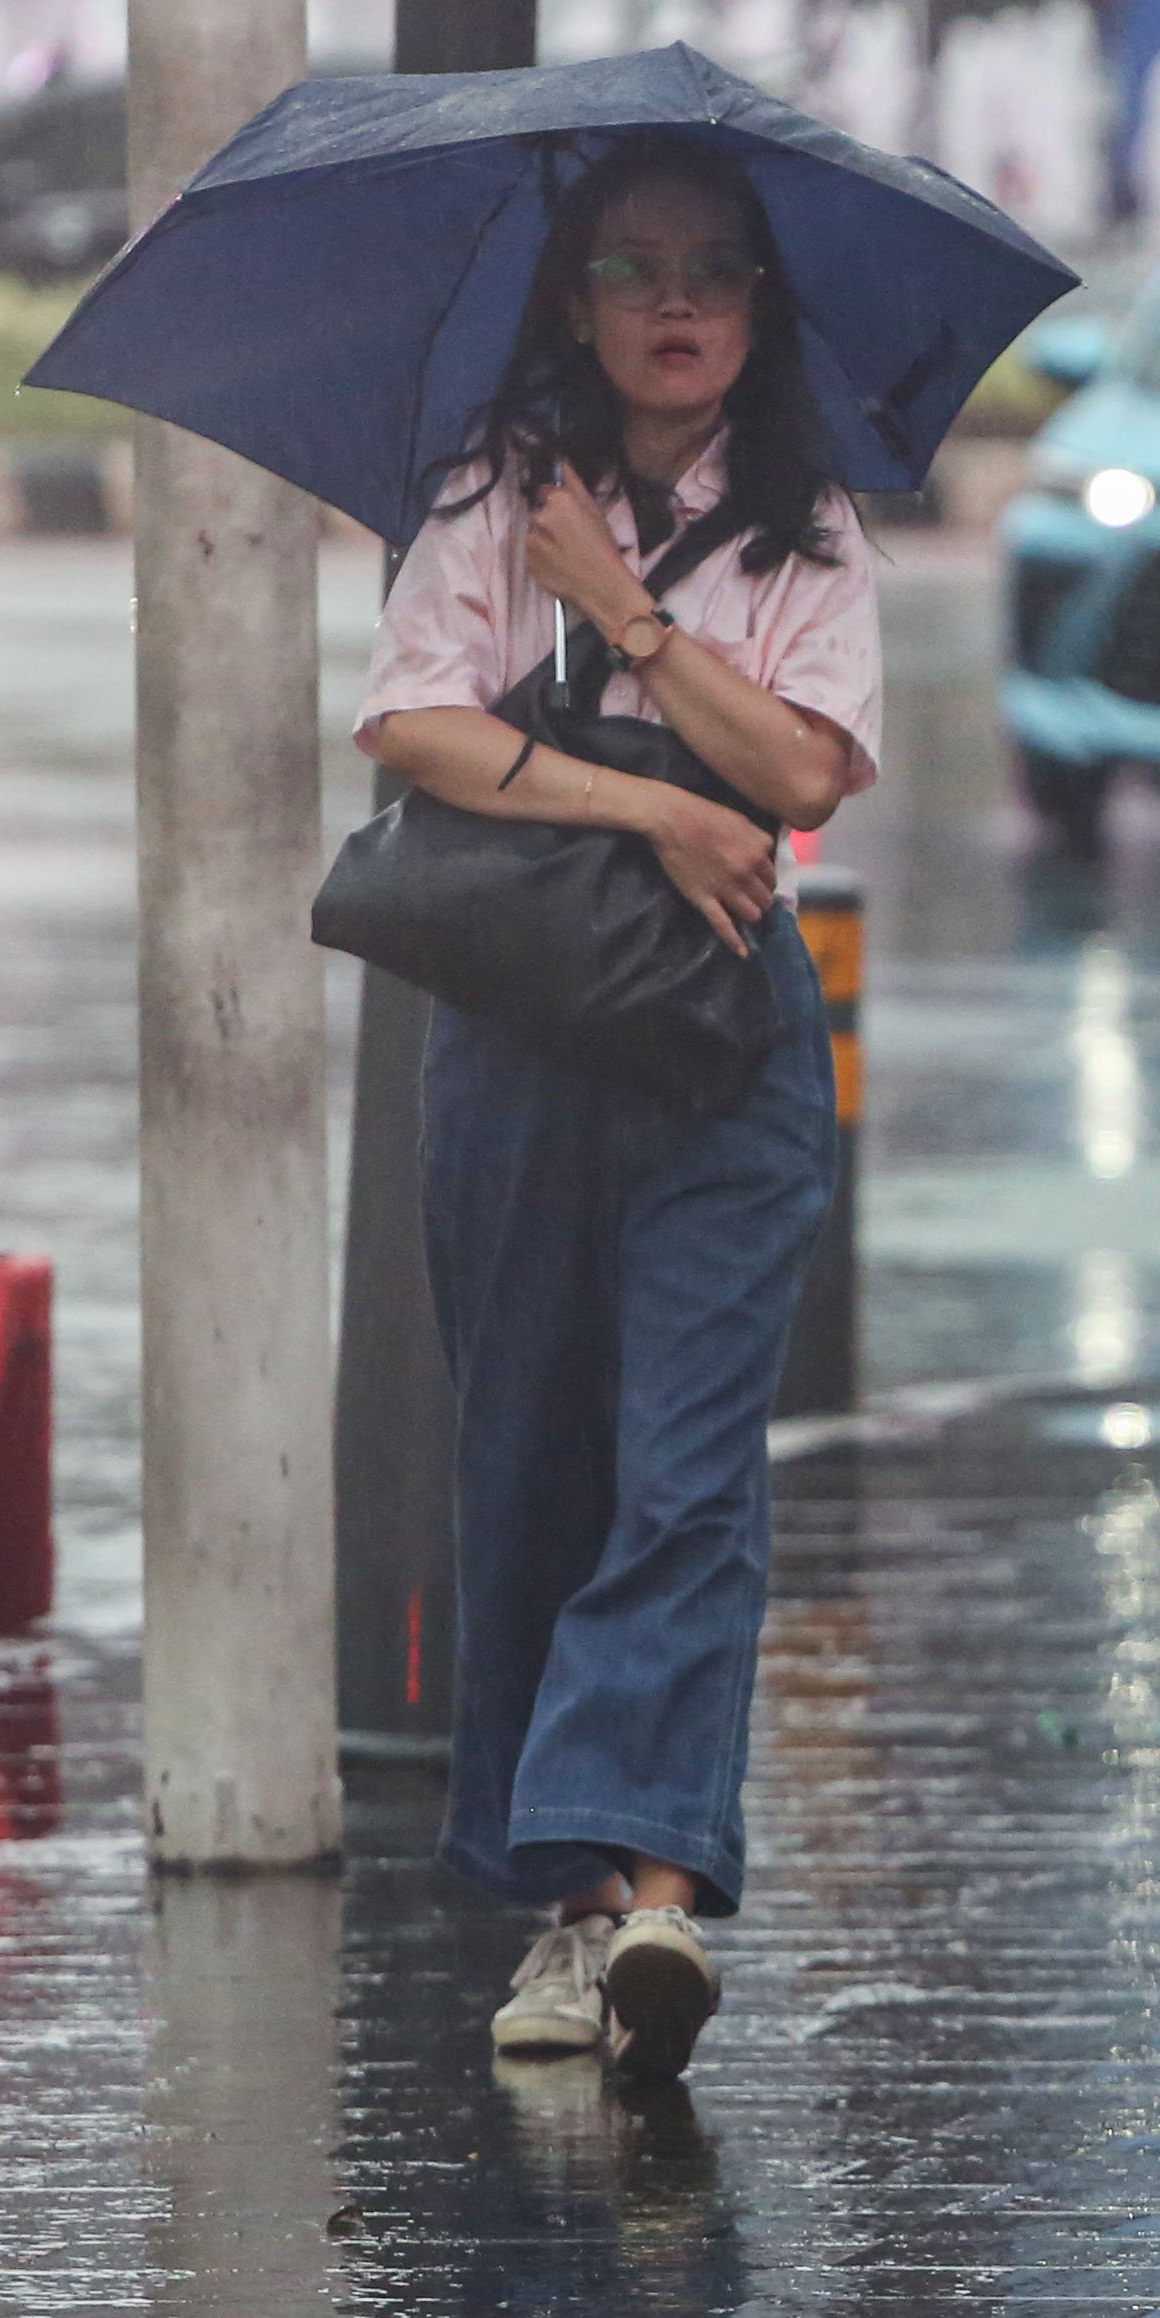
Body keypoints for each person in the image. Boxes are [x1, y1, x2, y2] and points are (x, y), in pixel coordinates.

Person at [354, 130, 877, 2085]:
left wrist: (633, 626)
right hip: (518, 1027)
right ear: (572, 302)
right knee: (531, 1465)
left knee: (686, 1464)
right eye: (634, 269)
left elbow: (810, 767)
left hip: (724, 1037)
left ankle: (658, 1889)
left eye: (712, 272)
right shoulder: (497, 494)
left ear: (759, 307)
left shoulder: (803, 530)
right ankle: (561, 1916)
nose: (674, 307)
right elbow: (412, 723)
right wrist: (653, 794)